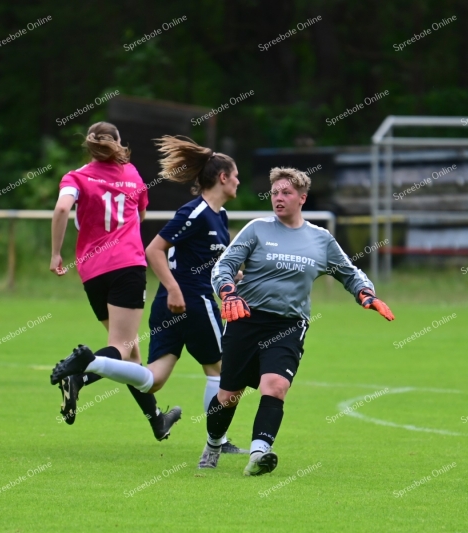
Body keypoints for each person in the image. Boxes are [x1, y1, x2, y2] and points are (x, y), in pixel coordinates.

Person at [199, 167, 395, 475]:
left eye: (286, 193)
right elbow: (223, 267)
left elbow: (349, 272)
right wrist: (228, 293)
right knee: (228, 396)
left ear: (302, 198)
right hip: (245, 319)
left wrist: (365, 294)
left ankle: (258, 455)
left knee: (275, 386)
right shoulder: (257, 229)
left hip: (289, 325)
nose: (278, 198)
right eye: (274, 193)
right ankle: (213, 443)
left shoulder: (321, 239)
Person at [48, 122, 180, 441]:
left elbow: (63, 207)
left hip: (92, 271)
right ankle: (79, 374)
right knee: (122, 347)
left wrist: (56, 253)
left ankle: (157, 420)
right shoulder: (132, 174)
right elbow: (141, 215)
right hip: (126, 266)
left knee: (131, 354)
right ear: (118, 143)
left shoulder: (76, 176)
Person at [141, 135, 247, 454]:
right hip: (192, 300)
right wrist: (174, 288)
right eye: (236, 175)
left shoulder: (219, 216)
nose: (239, 181)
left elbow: (210, 261)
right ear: (223, 177)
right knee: (222, 371)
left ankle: (93, 364)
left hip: (176, 303)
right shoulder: (196, 211)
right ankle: (219, 442)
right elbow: (154, 250)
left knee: (154, 379)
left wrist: (237, 276)